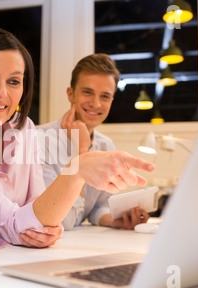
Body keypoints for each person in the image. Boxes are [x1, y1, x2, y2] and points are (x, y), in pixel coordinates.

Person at [0, 28, 154, 268]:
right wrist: (78, 167)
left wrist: (48, 227)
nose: (1, 93)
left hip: (12, 260)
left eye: (13, 81)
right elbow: (14, 222)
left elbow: (39, 211)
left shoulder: (23, 129)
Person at [38, 53, 150, 230]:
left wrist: (114, 220)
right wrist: (82, 151)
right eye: (87, 92)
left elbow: (97, 207)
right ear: (70, 94)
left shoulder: (105, 146)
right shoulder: (39, 139)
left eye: (105, 96)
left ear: (111, 100)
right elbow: (62, 221)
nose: (95, 103)